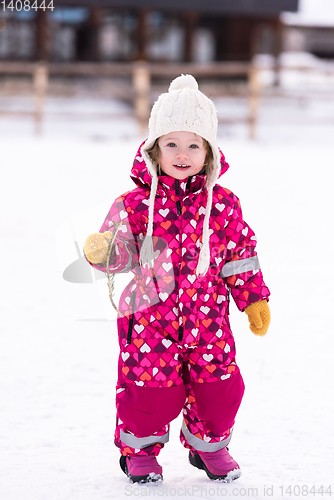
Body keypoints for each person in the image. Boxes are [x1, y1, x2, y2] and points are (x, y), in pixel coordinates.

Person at [83, 74, 271, 484]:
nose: (182, 153)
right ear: (154, 148)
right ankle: (140, 452)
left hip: (209, 321)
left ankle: (211, 448)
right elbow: (120, 253)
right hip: (150, 320)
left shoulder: (222, 205)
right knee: (149, 393)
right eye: (172, 143)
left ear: (209, 151)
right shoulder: (134, 204)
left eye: (193, 144)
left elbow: (240, 256)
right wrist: (105, 252)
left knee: (218, 390)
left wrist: (253, 298)